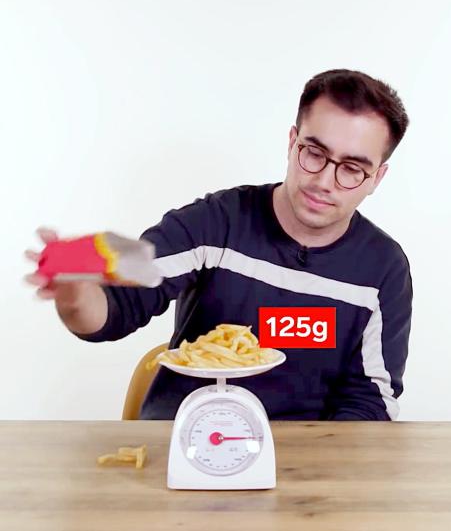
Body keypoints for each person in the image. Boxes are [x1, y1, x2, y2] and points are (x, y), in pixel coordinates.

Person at [24, 69, 413, 420]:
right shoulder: (215, 223)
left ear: (377, 178)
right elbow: (117, 309)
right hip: (184, 443)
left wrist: (315, 474)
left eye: (351, 168)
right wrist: (75, 293)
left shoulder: (383, 267)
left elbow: (371, 401)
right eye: (314, 153)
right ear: (293, 142)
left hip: (311, 465)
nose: (325, 181)